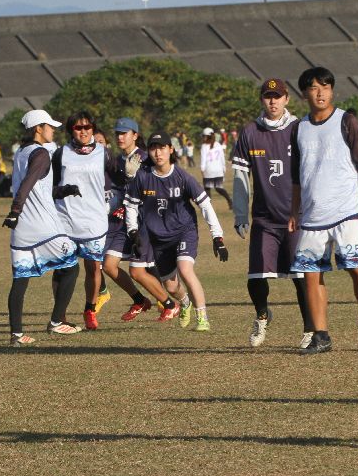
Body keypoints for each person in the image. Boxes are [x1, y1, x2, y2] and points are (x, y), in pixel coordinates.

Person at [289, 66, 358, 354]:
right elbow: (296, 176)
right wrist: (294, 211)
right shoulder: (298, 128)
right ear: (304, 93)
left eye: (326, 87)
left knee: (356, 267)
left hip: (346, 213)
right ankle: (321, 336)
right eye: (314, 88)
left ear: (332, 91)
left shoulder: (347, 121)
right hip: (311, 217)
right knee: (311, 275)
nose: (320, 93)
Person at [232, 78, 314, 348]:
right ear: (261, 100)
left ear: (287, 99)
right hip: (264, 219)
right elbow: (241, 176)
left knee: (300, 278)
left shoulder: (300, 128)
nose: (272, 101)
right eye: (268, 96)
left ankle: (310, 330)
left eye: (277, 96)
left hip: (296, 218)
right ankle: (262, 316)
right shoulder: (250, 132)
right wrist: (240, 215)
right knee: (256, 277)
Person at [125, 131, 228, 332]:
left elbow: (205, 205)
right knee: (171, 287)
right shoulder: (143, 177)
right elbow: (130, 205)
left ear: (171, 149)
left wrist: (217, 236)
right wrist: (133, 231)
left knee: (185, 269)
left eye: (162, 148)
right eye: (153, 149)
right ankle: (185, 302)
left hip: (184, 232)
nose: (158, 153)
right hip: (158, 238)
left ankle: (202, 317)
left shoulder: (182, 177)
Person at [3, 109, 82, 345]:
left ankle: (17, 335)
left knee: (20, 280)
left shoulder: (21, 152)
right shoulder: (41, 154)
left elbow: (38, 188)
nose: (53, 130)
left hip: (22, 230)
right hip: (43, 227)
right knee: (71, 266)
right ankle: (56, 322)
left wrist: (64, 190)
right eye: (50, 126)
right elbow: (27, 185)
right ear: (39, 128)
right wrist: (14, 211)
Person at [101, 117, 180, 322]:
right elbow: (119, 191)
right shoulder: (118, 160)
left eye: (124, 133)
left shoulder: (146, 158)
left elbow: (155, 187)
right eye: (117, 133)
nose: (120, 137)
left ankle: (170, 304)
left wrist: (132, 178)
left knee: (139, 271)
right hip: (124, 221)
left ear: (135, 135)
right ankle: (139, 300)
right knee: (108, 265)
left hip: (144, 222)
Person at [52, 111, 111, 331]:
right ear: (71, 130)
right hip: (65, 222)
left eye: (87, 127)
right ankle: (60, 315)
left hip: (94, 222)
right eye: (78, 127)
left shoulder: (104, 153)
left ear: (93, 129)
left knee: (93, 268)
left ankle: (90, 309)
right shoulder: (61, 154)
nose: (83, 131)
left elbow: (117, 179)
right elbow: (51, 186)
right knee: (62, 269)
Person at [199, 127, 232, 209]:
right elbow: (222, 158)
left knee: (207, 189)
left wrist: (202, 169)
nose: (203, 138)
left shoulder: (204, 146)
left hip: (209, 171)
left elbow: (203, 159)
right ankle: (230, 200)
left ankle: (208, 207)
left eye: (204, 136)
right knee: (218, 188)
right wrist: (224, 169)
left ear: (207, 136)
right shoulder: (218, 145)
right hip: (218, 170)